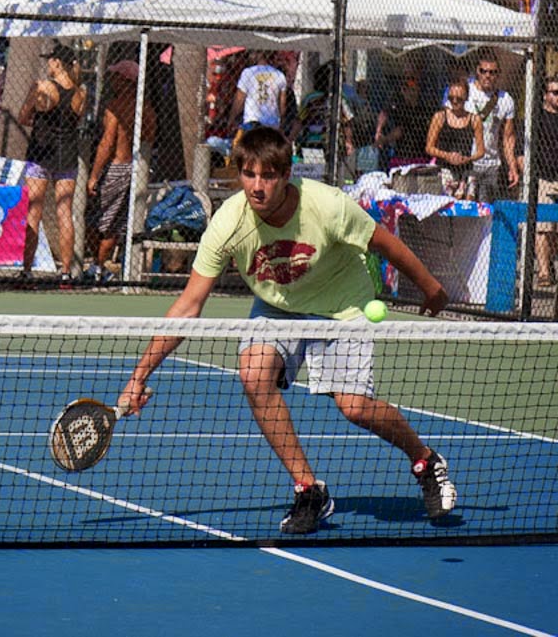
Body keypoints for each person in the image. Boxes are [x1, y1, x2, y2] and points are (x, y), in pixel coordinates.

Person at [116, 126, 456, 535]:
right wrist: (139, 376)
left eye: (268, 176)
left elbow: (384, 243)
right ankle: (309, 489)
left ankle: (424, 459)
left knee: (355, 408)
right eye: (249, 175)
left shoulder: (327, 206)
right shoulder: (227, 224)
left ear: (286, 174)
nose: (257, 187)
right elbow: (188, 305)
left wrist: (431, 288)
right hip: (278, 307)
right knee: (254, 374)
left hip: (340, 305)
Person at [19, 42, 87, 282]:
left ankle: (26, 271)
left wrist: (34, 100)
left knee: (33, 211)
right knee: (64, 213)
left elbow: (23, 116)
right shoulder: (80, 93)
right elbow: (75, 122)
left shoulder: (44, 87)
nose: (47, 63)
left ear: (58, 63)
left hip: (41, 152)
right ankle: (66, 272)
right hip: (67, 154)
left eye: (50, 60)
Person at [86, 60, 156, 284]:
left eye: (116, 77)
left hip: (115, 167)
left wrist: (94, 174)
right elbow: (149, 138)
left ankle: (96, 266)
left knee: (96, 221)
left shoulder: (114, 107)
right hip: (133, 169)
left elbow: (107, 142)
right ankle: (98, 266)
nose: (112, 81)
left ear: (126, 81)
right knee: (114, 223)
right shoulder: (145, 109)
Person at [463, 48, 518, 201]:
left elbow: (508, 137)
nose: (487, 76)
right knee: (466, 206)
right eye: (483, 71)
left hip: (492, 163)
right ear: (477, 71)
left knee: (486, 209)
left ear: (498, 74)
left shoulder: (505, 99)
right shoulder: (465, 91)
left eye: (492, 72)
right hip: (468, 160)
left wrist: (512, 167)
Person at [425, 76, 484, 200]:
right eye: (451, 98)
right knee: (447, 201)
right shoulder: (440, 117)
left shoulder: (474, 120)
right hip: (445, 167)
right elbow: (429, 147)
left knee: (468, 199)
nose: (455, 102)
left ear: (466, 98)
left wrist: (467, 159)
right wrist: (447, 156)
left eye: (459, 99)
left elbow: (481, 151)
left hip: (466, 167)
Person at [374, 75, 431, 169]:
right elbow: (384, 113)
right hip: (401, 154)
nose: (407, 92)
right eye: (405, 89)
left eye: (411, 89)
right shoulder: (399, 104)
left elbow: (400, 131)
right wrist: (379, 130)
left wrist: (385, 140)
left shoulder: (423, 107)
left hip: (420, 155)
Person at [534, 75, 558, 287]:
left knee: (555, 231)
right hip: (544, 176)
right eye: (555, 93)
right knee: (543, 227)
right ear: (545, 95)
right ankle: (543, 271)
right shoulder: (538, 118)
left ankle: (550, 262)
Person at [229, 50, 288, 133]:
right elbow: (282, 104)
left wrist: (231, 119)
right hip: (272, 124)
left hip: (252, 121)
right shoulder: (280, 75)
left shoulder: (248, 72)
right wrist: (281, 122)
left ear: (259, 54)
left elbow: (239, 100)